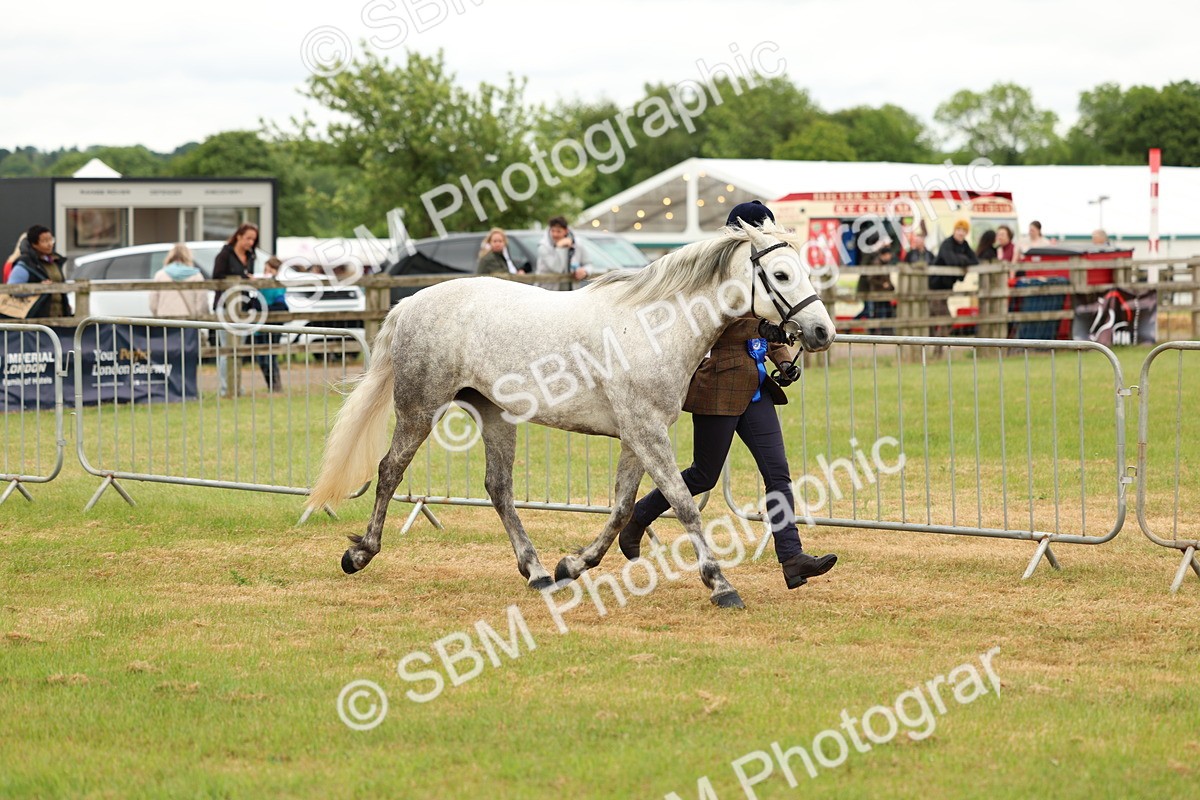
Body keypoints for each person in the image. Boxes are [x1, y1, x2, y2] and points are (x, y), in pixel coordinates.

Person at [618, 200, 838, 591]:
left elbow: (770, 319)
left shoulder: (760, 271)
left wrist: (783, 359)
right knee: (703, 475)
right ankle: (638, 517)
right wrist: (762, 333)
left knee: (778, 475)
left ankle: (792, 558)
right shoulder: (714, 276)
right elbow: (713, 327)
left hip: (755, 389)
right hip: (718, 388)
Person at [212, 223, 258, 398]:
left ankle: (237, 386)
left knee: (239, 348)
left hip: (244, 306)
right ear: (238, 236)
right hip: (225, 306)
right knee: (227, 349)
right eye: (248, 238)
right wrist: (242, 278)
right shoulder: (224, 254)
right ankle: (225, 388)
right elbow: (216, 278)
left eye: (253, 239)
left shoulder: (251, 257)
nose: (250, 242)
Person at [5, 225, 71, 319]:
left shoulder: (55, 261)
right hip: (37, 317)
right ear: (34, 244)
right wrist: (38, 288)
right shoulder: (25, 263)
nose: (49, 244)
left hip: (60, 315)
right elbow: (12, 289)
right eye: (44, 241)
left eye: (51, 240)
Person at [931, 219, 978, 336]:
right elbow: (951, 260)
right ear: (954, 231)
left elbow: (975, 260)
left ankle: (937, 350)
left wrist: (961, 259)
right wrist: (963, 259)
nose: (961, 233)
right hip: (935, 287)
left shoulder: (965, 245)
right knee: (945, 319)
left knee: (942, 320)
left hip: (947, 287)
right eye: (958, 230)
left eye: (963, 230)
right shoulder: (947, 244)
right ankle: (937, 349)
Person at [251, 256, 288, 392]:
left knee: (271, 356)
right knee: (261, 358)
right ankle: (271, 385)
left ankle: (275, 385)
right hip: (260, 327)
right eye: (265, 269)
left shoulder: (277, 287)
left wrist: (263, 308)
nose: (267, 272)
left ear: (276, 271)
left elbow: (281, 306)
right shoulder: (260, 286)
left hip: (273, 326)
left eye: (270, 269)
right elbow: (254, 302)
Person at [150, 243, 208, 318]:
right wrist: (197, 317)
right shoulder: (196, 276)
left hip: (164, 320)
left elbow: (153, 303)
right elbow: (201, 302)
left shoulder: (160, 275)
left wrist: (157, 314)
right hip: (188, 321)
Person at [535, 216, 591, 290]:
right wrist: (560, 247)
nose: (555, 234)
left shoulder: (577, 244)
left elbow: (588, 264)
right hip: (547, 292)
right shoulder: (543, 247)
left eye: (558, 231)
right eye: (552, 231)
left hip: (571, 292)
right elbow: (557, 269)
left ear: (566, 231)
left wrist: (585, 271)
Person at [855, 244, 896, 331]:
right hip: (873, 292)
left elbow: (886, 279)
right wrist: (883, 284)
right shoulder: (873, 261)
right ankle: (871, 330)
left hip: (880, 292)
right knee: (871, 312)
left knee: (874, 312)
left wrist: (891, 287)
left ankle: (877, 331)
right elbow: (871, 279)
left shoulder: (883, 263)